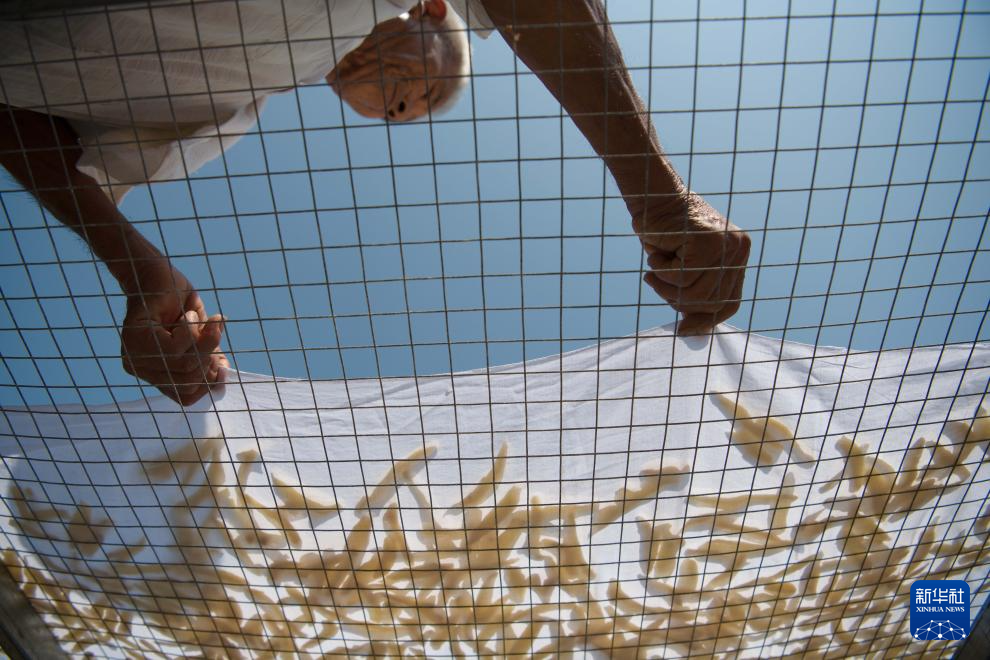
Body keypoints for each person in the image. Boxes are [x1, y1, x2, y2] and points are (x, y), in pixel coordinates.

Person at [0, 0, 750, 406]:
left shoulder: (216, 121)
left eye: (406, 114)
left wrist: (138, 271)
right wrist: (659, 192)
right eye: (423, 86)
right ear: (428, 8)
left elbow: (18, 120)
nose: (399, 107)